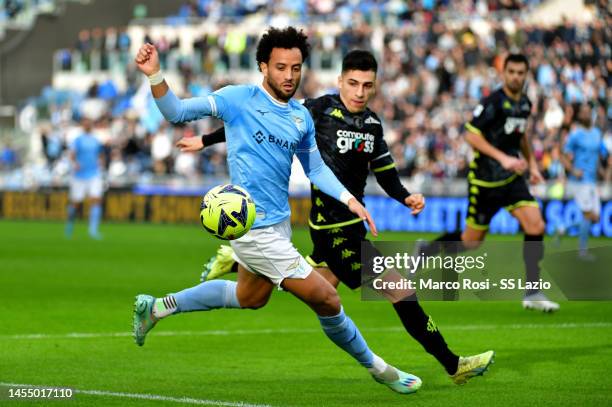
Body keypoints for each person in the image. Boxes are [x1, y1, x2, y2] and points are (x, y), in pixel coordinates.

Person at [133, 27, 421, 394]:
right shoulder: (238, 99)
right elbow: (176, 111)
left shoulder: (300, 117)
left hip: (279, 224)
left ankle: (156, 308)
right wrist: (155, 74)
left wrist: (350, 200)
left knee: (249, 298)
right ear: (263, 67)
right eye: (281, 67)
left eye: (296, 68)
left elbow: (315, 168)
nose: (289, 76)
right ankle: (380, 369)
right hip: (251, 229)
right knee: (327, 298)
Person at [188, 50, 494, 385]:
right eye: (353, 83)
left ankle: (238, 261)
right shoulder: (317, 109)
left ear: (374, 86)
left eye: (367, 85)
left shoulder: (374, 126)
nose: (360, 92)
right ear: (340, 81)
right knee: (402, 291)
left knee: (295, 289)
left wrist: (406, 196)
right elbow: (257, 119)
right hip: (333, 232)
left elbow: (386, 173)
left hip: (353, 229)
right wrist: (206, 139)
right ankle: (453, 365)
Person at [417, 53, 559, 312]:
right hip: (485, 182)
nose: (516, 77)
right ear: (504, 73)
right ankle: (429, 248)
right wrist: (503, 158)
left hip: (512, 180)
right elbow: (471, 135)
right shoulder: (493, 102)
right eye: (512, 72)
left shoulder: (525, 104)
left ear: (526, 75)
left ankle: (532, 291)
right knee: (471, 242)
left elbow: (521, 135)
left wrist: (534, 166)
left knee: (536, 225)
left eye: (520, 72)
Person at [562, 103, 609, 261]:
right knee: (588, 215)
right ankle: (582, 252)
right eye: (584, 112)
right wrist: (573, 169)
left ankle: (564, 228)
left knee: (594, 217)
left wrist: (605, 167)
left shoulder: (597, 133)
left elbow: (603, 154)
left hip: (592, 181)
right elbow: (563, 155)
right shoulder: (576, 135)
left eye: (589, 112)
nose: (587, 114)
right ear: (580, 116)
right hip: (580, 181)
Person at [65, 118, 104, 239]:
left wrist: (101, 164)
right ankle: (69, 226)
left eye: (89, 123)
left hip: (94, 173)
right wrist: (75, 163)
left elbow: (100, 155)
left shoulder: (96, 140)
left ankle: (93, 231)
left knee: (96, 200)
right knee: (76, 203)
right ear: (83, 125)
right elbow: (72, 155)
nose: (87, 125)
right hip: (79, 175)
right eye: (85, 123)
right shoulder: (78, 140)